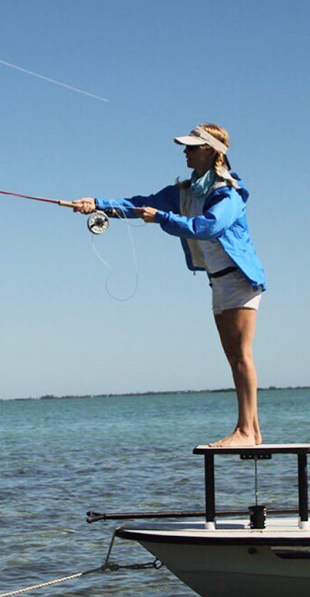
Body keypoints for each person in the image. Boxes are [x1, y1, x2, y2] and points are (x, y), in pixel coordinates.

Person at [71, 123, 266, 447]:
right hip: (217, 280)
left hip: (238, 278)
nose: (185, 152)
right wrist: (96, 203)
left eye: (191, 147)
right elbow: (139, 203)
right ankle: (251, 432)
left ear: (211, 151)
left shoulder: (228, 192)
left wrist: (162, 218)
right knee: (234, 357)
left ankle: (246, 431)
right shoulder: (185, 192)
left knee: (242, 356)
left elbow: (208, 227)